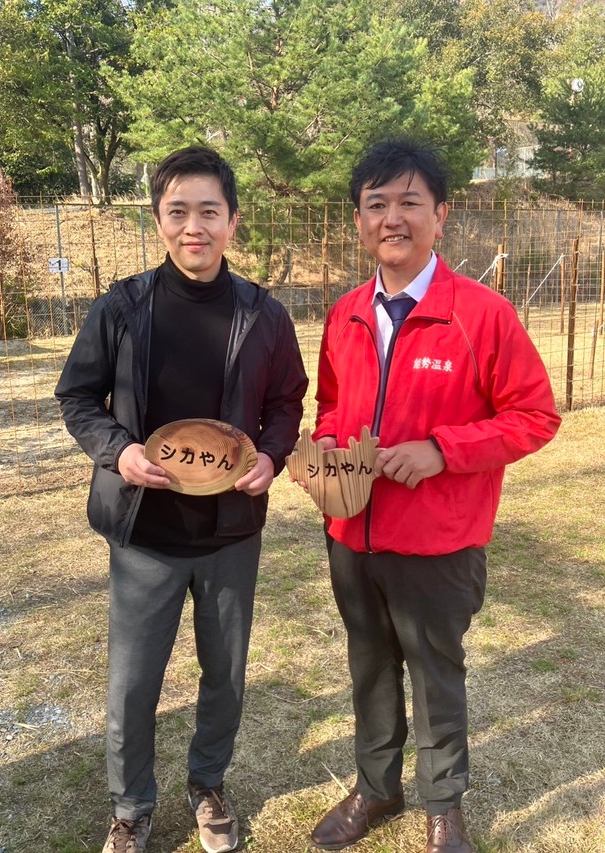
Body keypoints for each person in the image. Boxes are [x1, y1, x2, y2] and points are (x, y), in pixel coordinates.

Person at [305, 139, 560, 853]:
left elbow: (535, 416)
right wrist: (325, 444)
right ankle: (376, 788)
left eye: (409, 202)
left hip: (440, 542)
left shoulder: (481, 314)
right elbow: (330, 408)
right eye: (376, 204)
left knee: (436, 673)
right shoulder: (345, 314)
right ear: (359, 220)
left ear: (440, 216)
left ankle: (443, 804)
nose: (393, 218)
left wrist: (444, 450)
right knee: (369, 666)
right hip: (352, 533)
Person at [55, 145, 308, 853]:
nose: (193, 227)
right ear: (158, 219)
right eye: (177, 211)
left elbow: (288, 398)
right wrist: (119, 450)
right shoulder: (122, 307)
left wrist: (271, 452)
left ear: (232, 221)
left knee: (224, 672)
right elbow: (77, 395)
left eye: (208, 211)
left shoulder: (265, 316)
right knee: (132, 684)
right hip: (145, 534)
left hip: (230, 533)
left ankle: (208, 784)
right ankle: (132, 808)